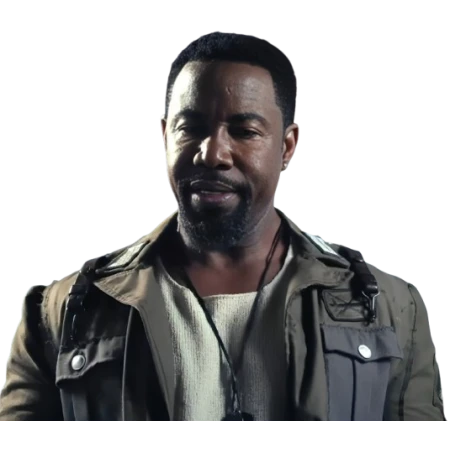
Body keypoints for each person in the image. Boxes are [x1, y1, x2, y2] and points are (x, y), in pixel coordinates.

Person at [0, 31, 445, 423]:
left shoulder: (388, 309)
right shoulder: (63, 313)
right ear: (164, 138)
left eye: (244, 130)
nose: (212, 153)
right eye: (190, 128)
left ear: (287, 146)